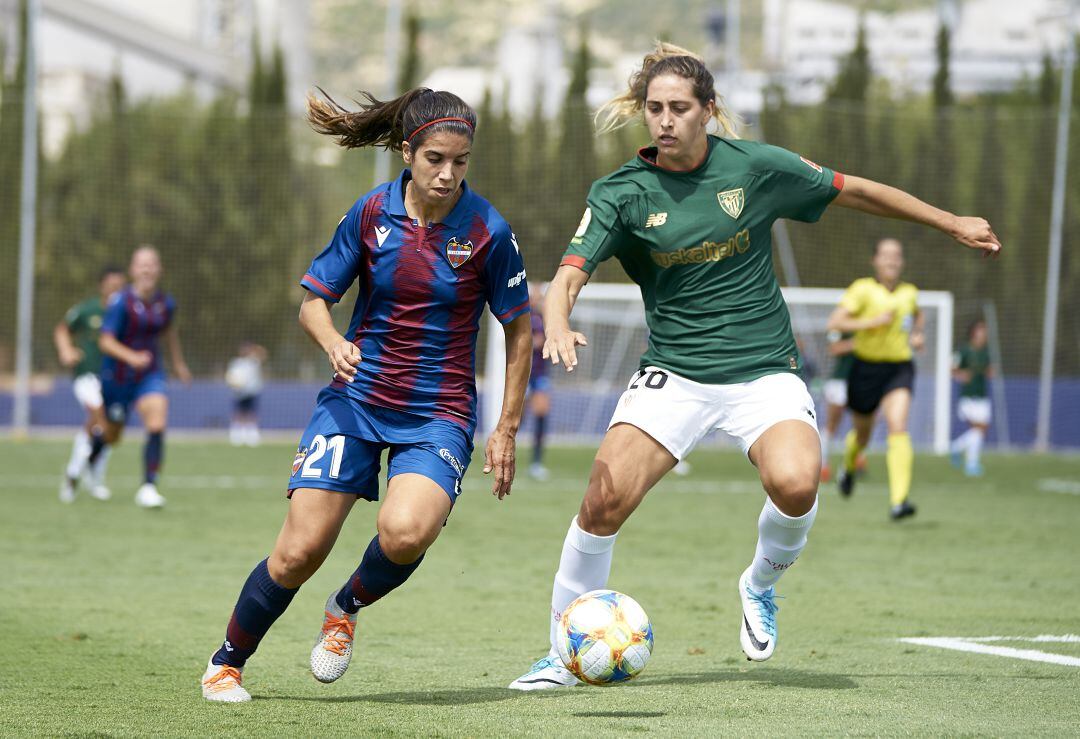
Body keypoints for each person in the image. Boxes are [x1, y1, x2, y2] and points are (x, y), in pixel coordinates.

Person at [508, 43, 1001, 691]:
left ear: (708, 111)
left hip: (764, 370)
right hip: (675, 375)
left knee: (798, 483)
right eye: (654, 108)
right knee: (601, 503)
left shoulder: (757, 168)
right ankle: (561, 655)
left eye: (679, 108)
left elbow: (856, 191)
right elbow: (572, 270)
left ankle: (760, 581)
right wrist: (562, 318)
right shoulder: (621, 193)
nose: (664, 120)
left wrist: (950, 221)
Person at [200, 87, 533, 703]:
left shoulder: (489, 231)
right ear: (408, 153)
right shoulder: (370, 213)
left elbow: (519, 330)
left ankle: (345, 606)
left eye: (461, 162)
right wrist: (332, 341)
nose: (448, 173)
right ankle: (227, 662)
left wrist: (506, 427)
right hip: (354, 400)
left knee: (406, 533)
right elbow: (313, 304)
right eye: (435, 158)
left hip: (439, 412)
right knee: (298, 551)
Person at [85, 246, 192, 509]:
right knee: (112, 436)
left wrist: (178, 363)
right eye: (141, 264)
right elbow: (105, 342)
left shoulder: (165, 303)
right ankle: (90, 460)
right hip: (118, 377)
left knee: (157, 422)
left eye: (152, 264)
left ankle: (148, 486)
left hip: (150, 374)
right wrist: (131, 357)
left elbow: (169, 333)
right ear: (133, 270)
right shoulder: (120, 302)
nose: (147, 269)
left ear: (159, 269)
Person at [827, 239, 924, 520]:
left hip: (898, 369)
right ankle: (848, 465)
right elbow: (835, 322)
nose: (892, 261)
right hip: (865, 369)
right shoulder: (862, 289)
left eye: (897, 255)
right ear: (875, 261)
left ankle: (899, 501)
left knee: (898, 426)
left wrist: (918, 335)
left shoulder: (910, 292)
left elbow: (918, 317)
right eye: (886, 256)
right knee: (864, 435)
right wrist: (870, 323)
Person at [55, 266, 126, 503]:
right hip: (87, 375)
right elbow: (62, 329)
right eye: (112, 284)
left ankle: (87, 476)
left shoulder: (125, 313)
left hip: (113, 378)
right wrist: (66, 350)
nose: (116, 289)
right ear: (102, 285)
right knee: (98, 416)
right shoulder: (87, 310)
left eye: (120, 285)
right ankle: (77, 475)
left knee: (107, 429)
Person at [818, 330, 865, 482]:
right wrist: (859, 344)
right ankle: (822, 466)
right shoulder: (841, 323)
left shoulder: (871, 320)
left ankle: (854, 463)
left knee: (862, 425)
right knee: (832, 425)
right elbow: (834, 348)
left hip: (862, 381)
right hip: (840, 381)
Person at [949, 318, 993, 476]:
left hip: (982, 395)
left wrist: (989, 372)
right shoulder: (964, 350)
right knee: (978, 429)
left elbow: (988, 370)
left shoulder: (986, 351)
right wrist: (960, 374)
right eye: (982, 330)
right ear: (974, 332)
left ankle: (957, 447)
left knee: (981, 431)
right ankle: (971, 463)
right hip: (968, 396)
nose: (984, 333)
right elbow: (952, 368)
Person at [526, 284, 552, 480]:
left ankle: (536, 462)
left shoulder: (547, 320)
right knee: (515, 418)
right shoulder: (525, 318)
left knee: (542, 414)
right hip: (523, 375)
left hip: (540, 375)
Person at [226, 342, 268, 447]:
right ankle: (237, 434)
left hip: (252, 392)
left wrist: (256, 348)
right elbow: (230, 376)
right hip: (239, 393)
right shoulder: (236, 362)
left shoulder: (254, 361)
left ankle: (251, 434)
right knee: (239, 413)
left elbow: (264, 354)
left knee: (251, 413)